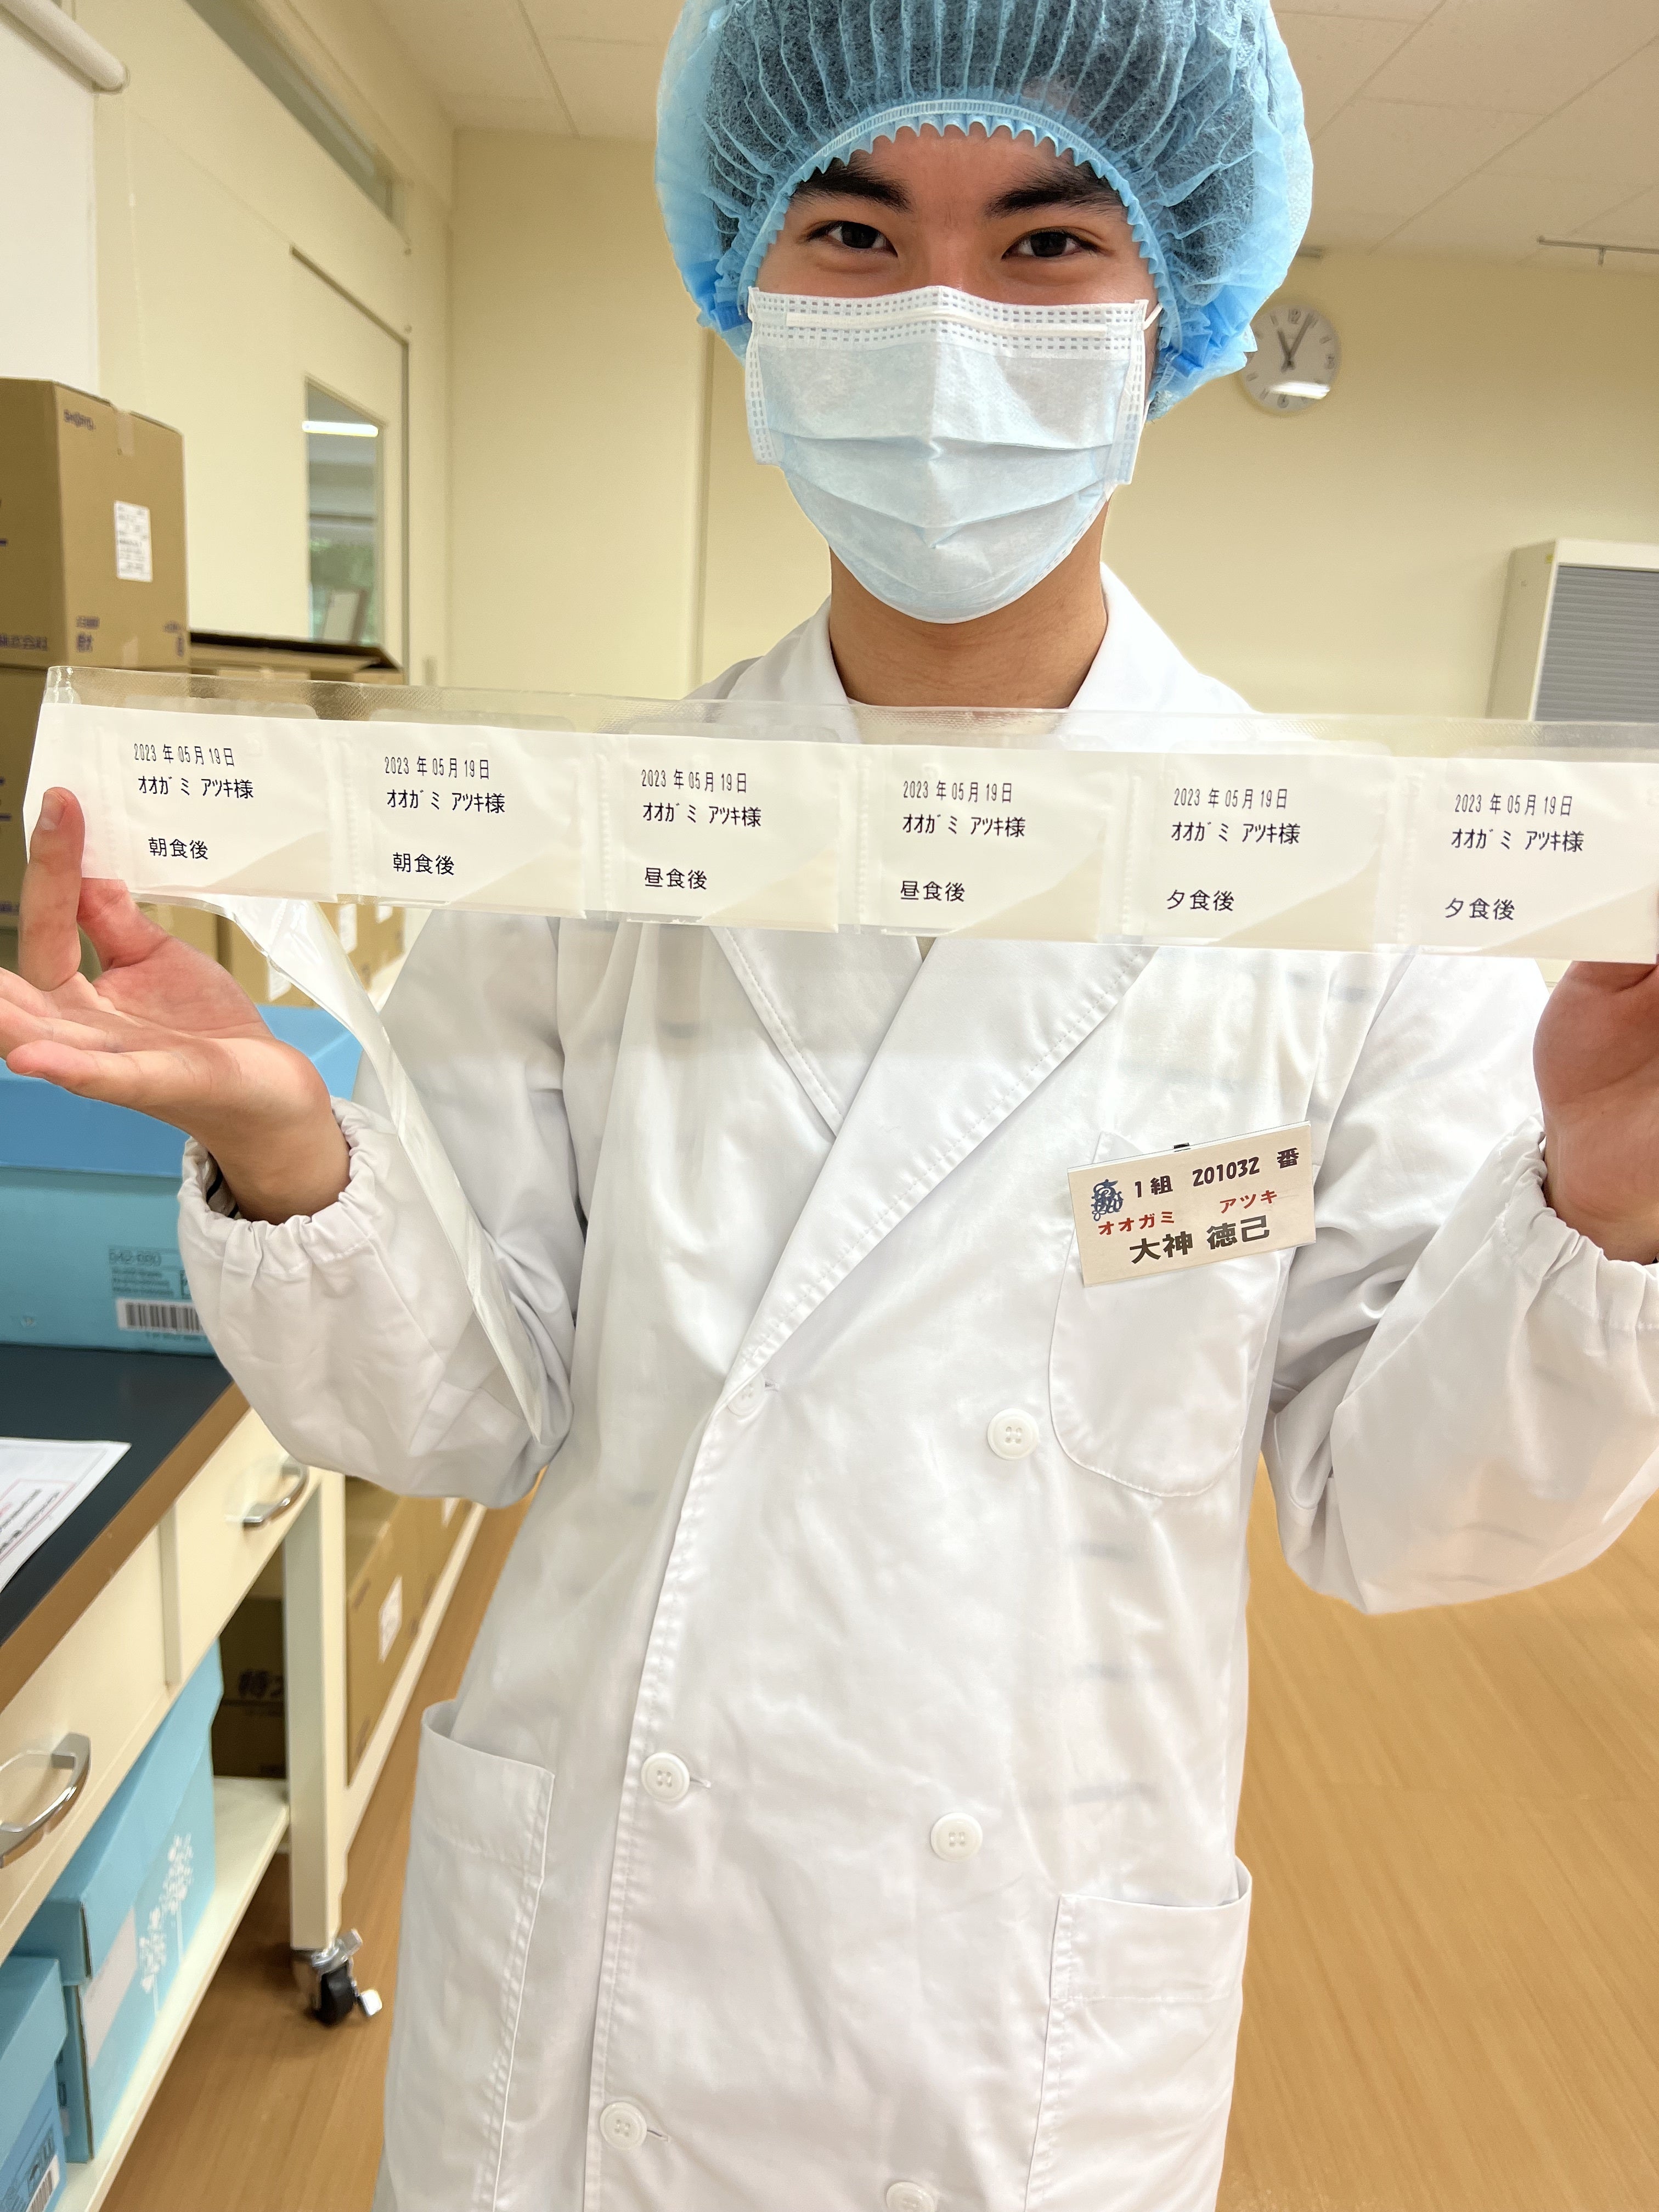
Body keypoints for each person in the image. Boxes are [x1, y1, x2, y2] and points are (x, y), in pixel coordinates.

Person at [4, 2, 1659, 2206]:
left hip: (1011, 1988)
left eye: (1047, 242)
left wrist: (1603, 1204)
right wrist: (285, 1143)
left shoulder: (1337, 888)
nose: (946, 322)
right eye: (858, 232)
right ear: (750, 292)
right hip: (609, 1969)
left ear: (1168, 310)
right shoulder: (595, 843)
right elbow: (469, 1411)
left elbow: (1406, 1509)